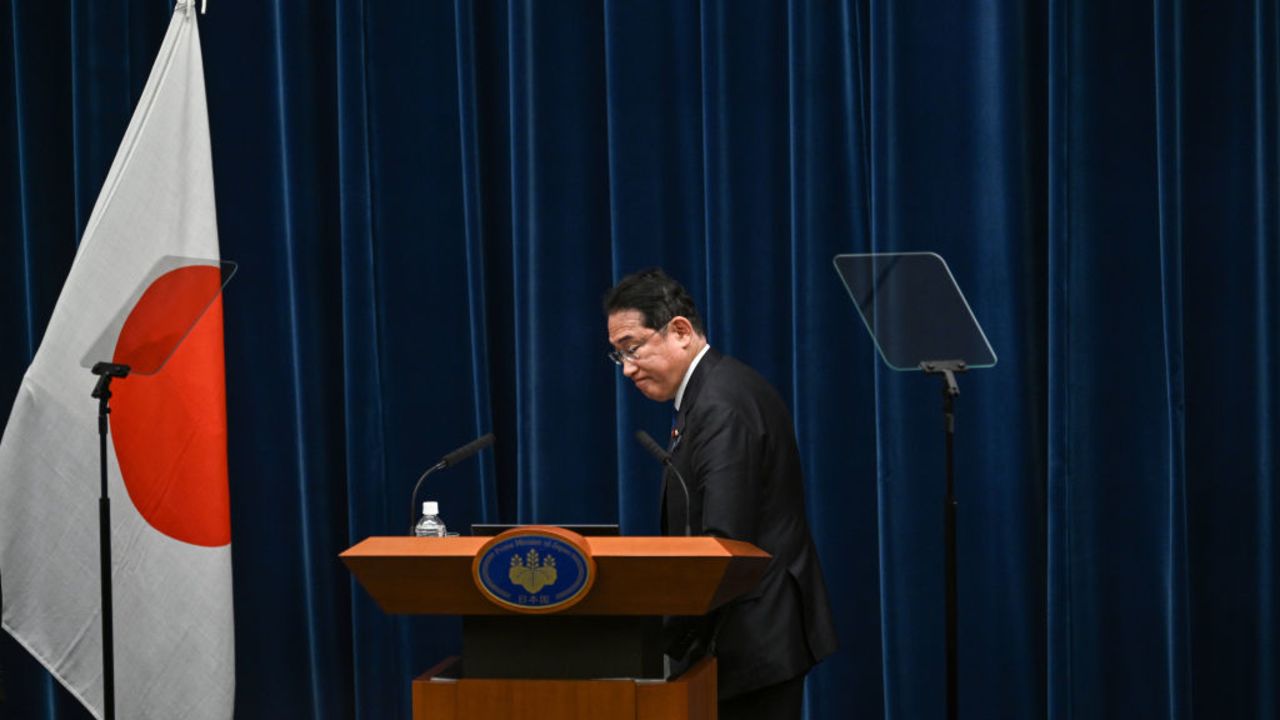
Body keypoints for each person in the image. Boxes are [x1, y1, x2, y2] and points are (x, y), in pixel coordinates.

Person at [604, 268, 837, 720]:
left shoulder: (720, 405)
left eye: (632, 348)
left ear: (681, 331)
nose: (628, 368)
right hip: (751, 634)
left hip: (752, 642)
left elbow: (722, 547)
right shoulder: (714, 391)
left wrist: (662, 643)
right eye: (619, 356)